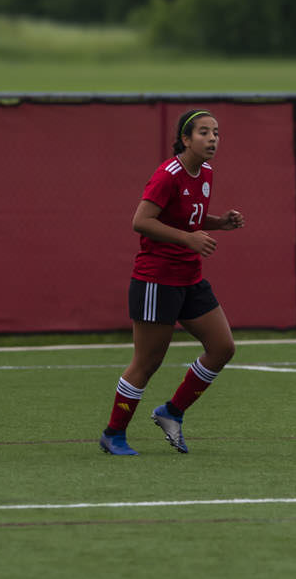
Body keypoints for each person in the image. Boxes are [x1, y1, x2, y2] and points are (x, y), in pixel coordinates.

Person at [99, 109, 245, 455]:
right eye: (203, 133)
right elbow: (142, 221)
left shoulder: (206, 172)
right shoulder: (168, 174)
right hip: (156, 280)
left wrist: (219, 223)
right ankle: (113, 434)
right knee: (147, 363)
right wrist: (188, 239)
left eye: (216, 133)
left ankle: (172, 412)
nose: (212, 139)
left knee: (223, 348)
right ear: (185, 139)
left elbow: (186, 217)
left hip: (189, 278)